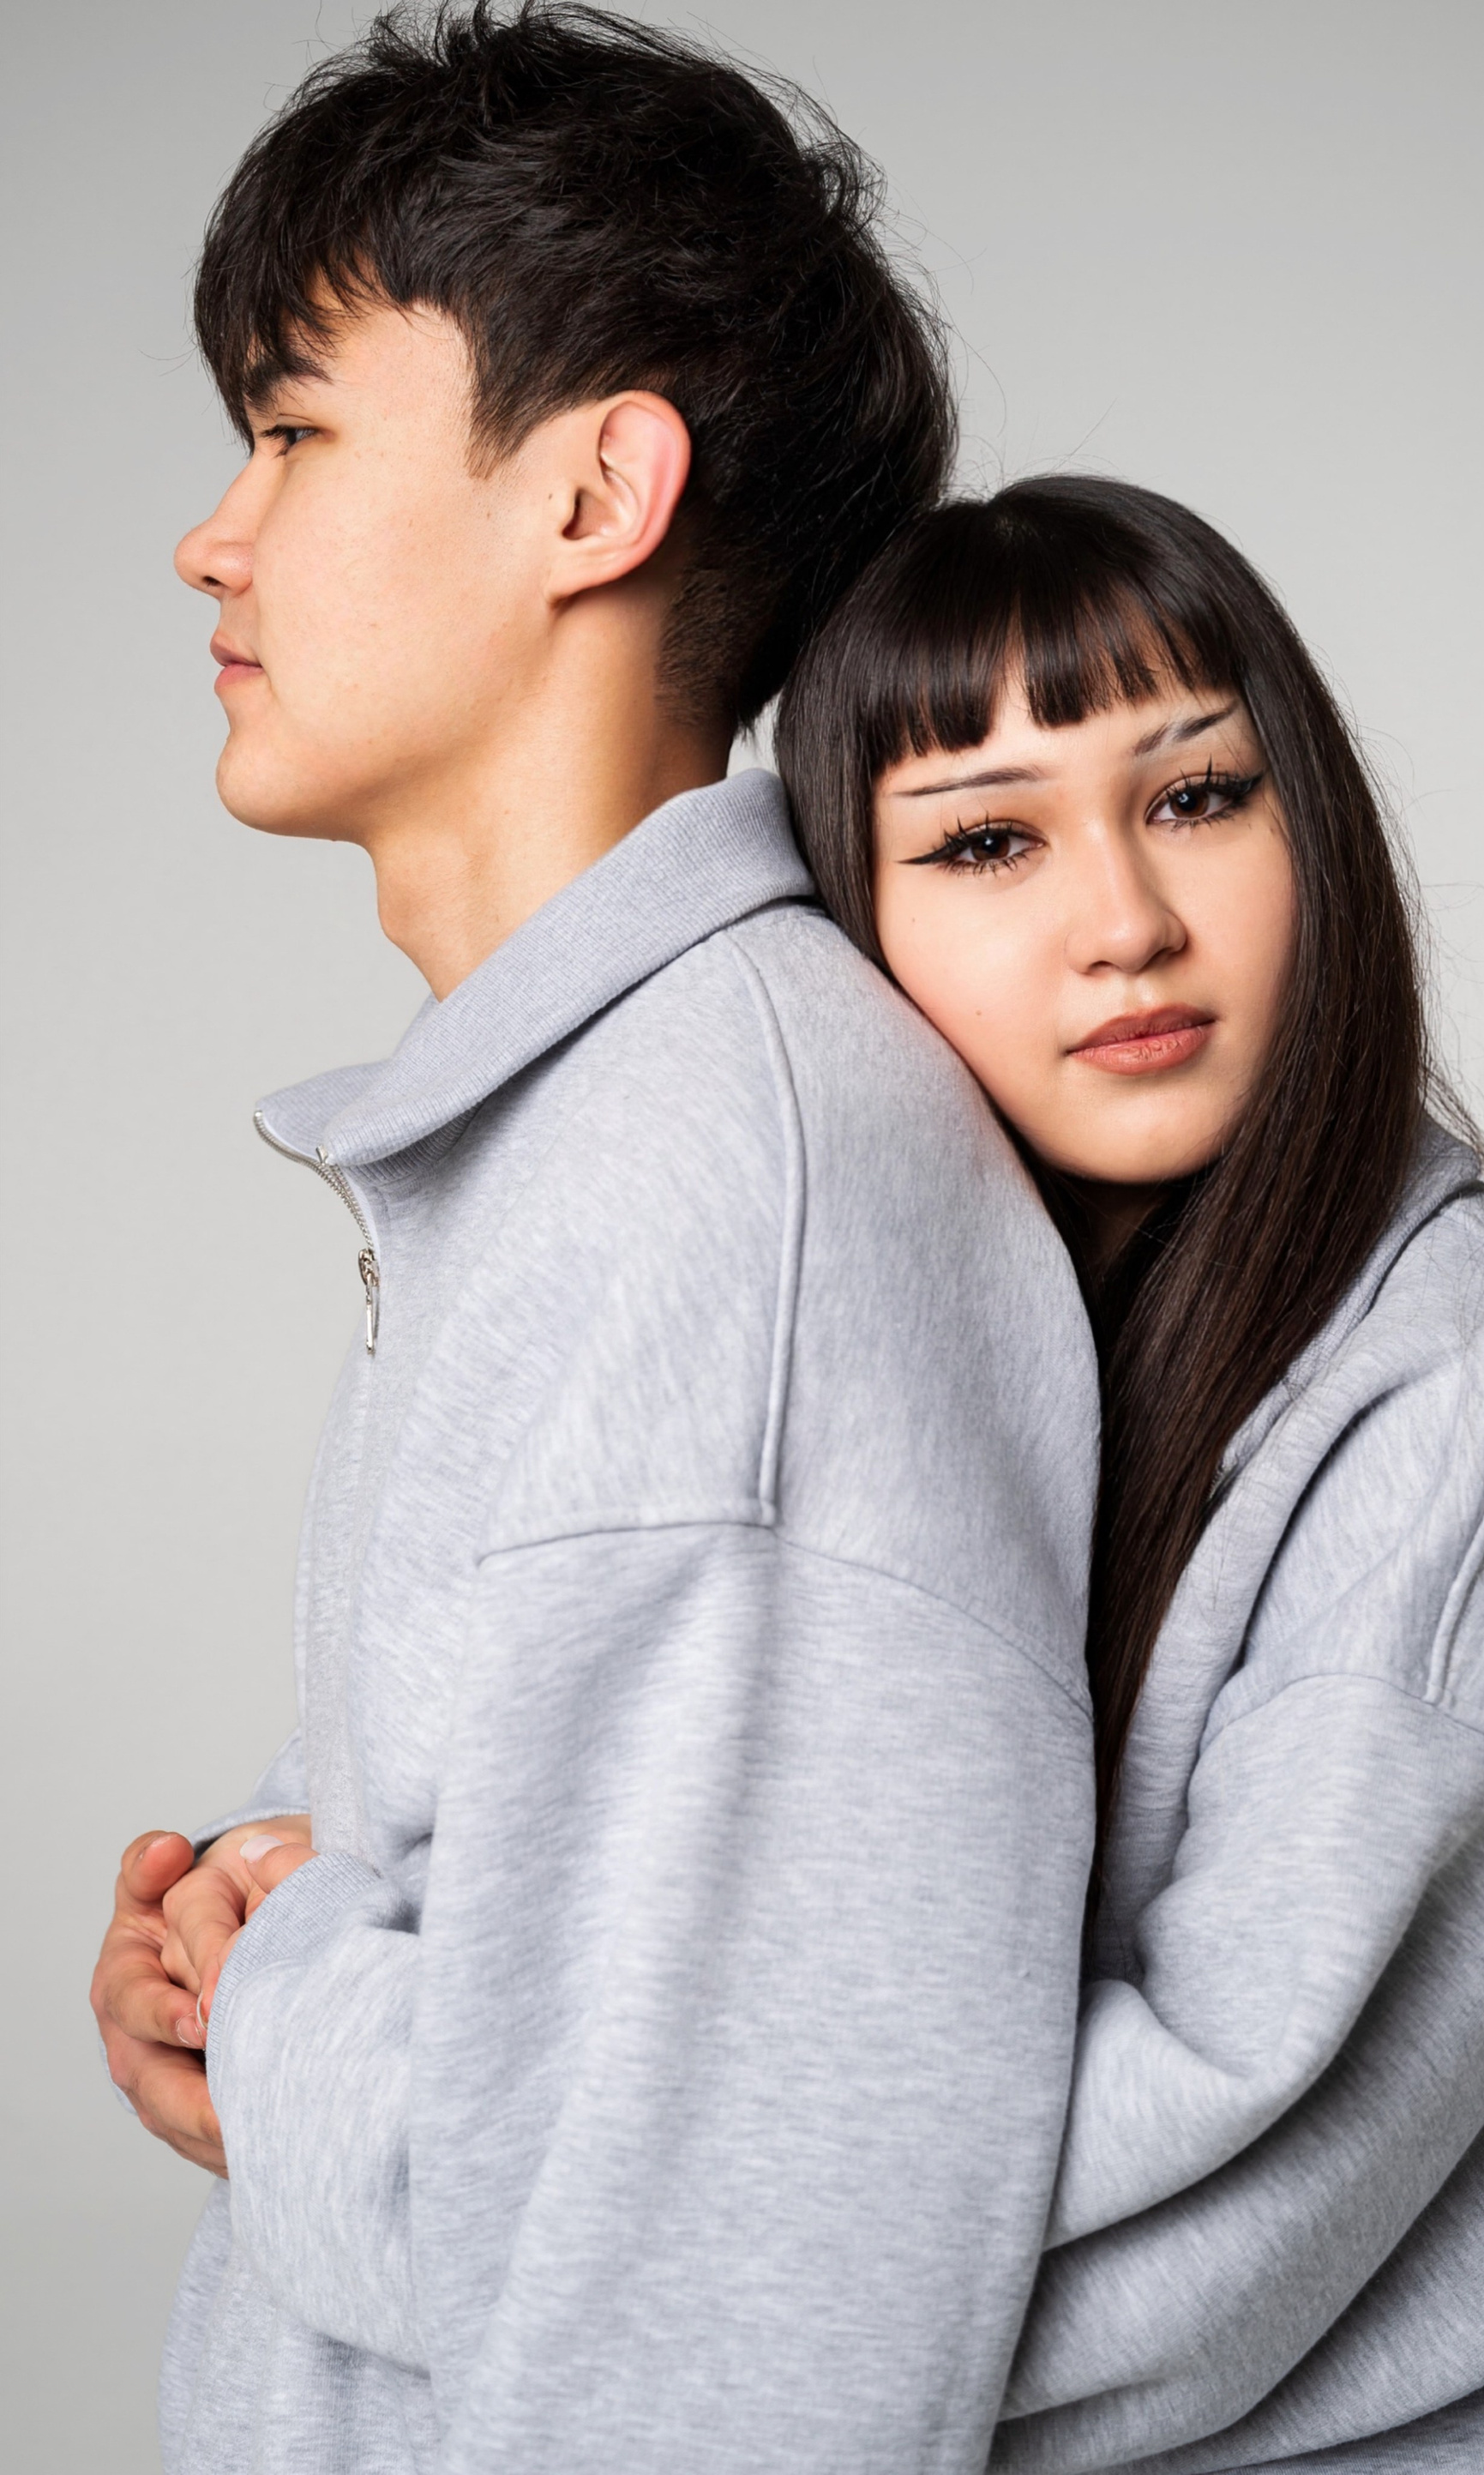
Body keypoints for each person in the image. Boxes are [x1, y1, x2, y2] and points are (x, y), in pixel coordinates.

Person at [87, 15, 1102, 2472]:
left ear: (593, 493)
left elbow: (732, 2320)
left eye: (295, 430)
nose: (212, 537)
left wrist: (292, 1993)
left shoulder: (725, 1179)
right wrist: (258, 1907)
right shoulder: (598, 1126)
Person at [777, 474, 1484, 2471]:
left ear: (1308, 825)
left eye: (1195, 796)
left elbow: (1206, 2246)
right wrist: (287, 1900)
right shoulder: (903, 1352)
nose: (1127, 924)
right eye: (989, 839)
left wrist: (532, 2242)